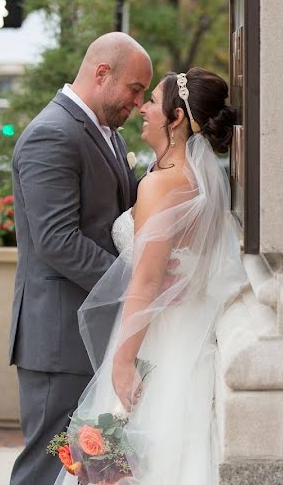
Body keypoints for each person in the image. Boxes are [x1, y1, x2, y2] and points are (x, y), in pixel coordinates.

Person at [55, 68, 246, 485]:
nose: (142, 108)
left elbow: (145, 281)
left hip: (154, 345)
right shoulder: (200, 180)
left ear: (175, 119)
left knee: (124, 460)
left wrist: (123, 364)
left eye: (153, 102)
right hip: (183, 335)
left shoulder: (162, 185)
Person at [8, 32, 152, 485]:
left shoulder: (104, 132)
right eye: (135, 88)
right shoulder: (51, 134)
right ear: (102, 73)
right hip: (59, 342)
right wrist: (136, 284)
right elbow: (56, 240)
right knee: (49, 465)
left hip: (92, 336)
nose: (138, 101)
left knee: (90, 471)